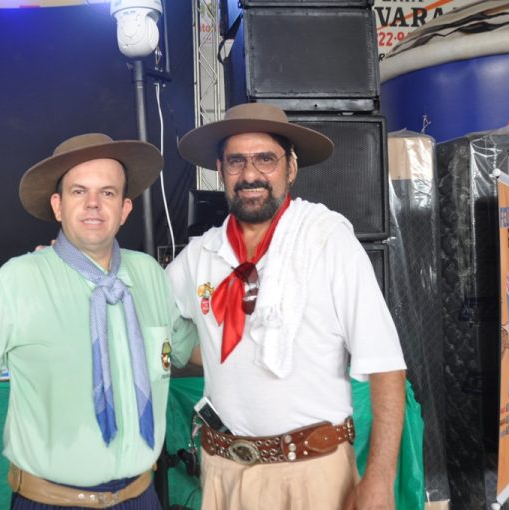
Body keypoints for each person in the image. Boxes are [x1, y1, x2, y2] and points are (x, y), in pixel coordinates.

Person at [165, 103, 407, 510]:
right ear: (221, 170)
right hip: (224, 473)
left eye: (266, 159)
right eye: (236, 161)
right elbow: (149, 309)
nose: (250, 175)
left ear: (290, 168)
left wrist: (380, 480)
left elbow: (386, 366)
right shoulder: (201, 254)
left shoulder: (328, 241)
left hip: (312, 473)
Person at [0, 133, 197, 510]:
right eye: (79, 191)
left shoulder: (150, 275)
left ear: (125, 209)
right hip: (50, 501)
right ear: (58, 205)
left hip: (141, 497)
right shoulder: (17, 280)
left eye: (107, 193)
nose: (93, 204)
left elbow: (187, 348)